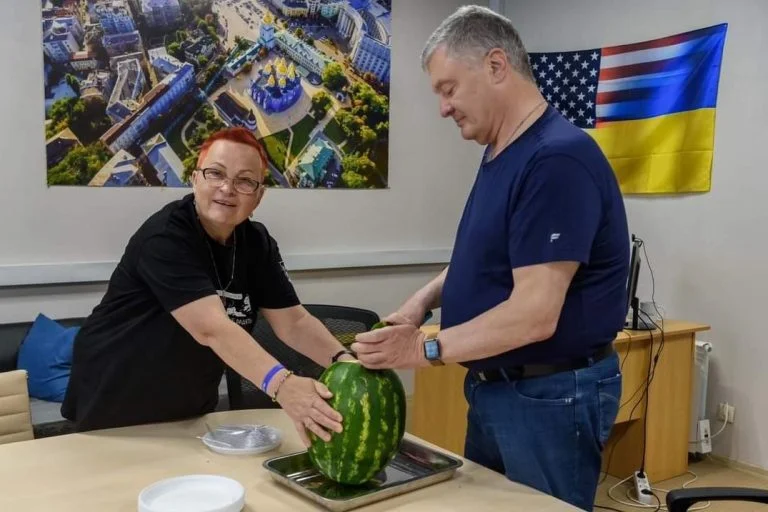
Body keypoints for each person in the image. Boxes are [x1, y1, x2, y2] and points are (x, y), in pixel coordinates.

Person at [351, 6, 629, 511]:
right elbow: (482, 260)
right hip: (496, 388)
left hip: (547, 395)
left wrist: (424, 350)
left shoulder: (557, 159)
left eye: (448, 88)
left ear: (497, 66)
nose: (443, 107)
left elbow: (535, 313)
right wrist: (420, 303)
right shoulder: (502, 152)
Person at [62, 127, 355, 446]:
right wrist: (283, 385)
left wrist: (344, 360)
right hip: (117, 391)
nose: (227, 188)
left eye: (244, 181)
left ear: (259, 195)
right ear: (195, 179)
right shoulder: (165, 236)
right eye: (215, 173)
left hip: (188, 396)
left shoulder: (257, 243)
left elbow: (294, 322)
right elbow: (211, 329)